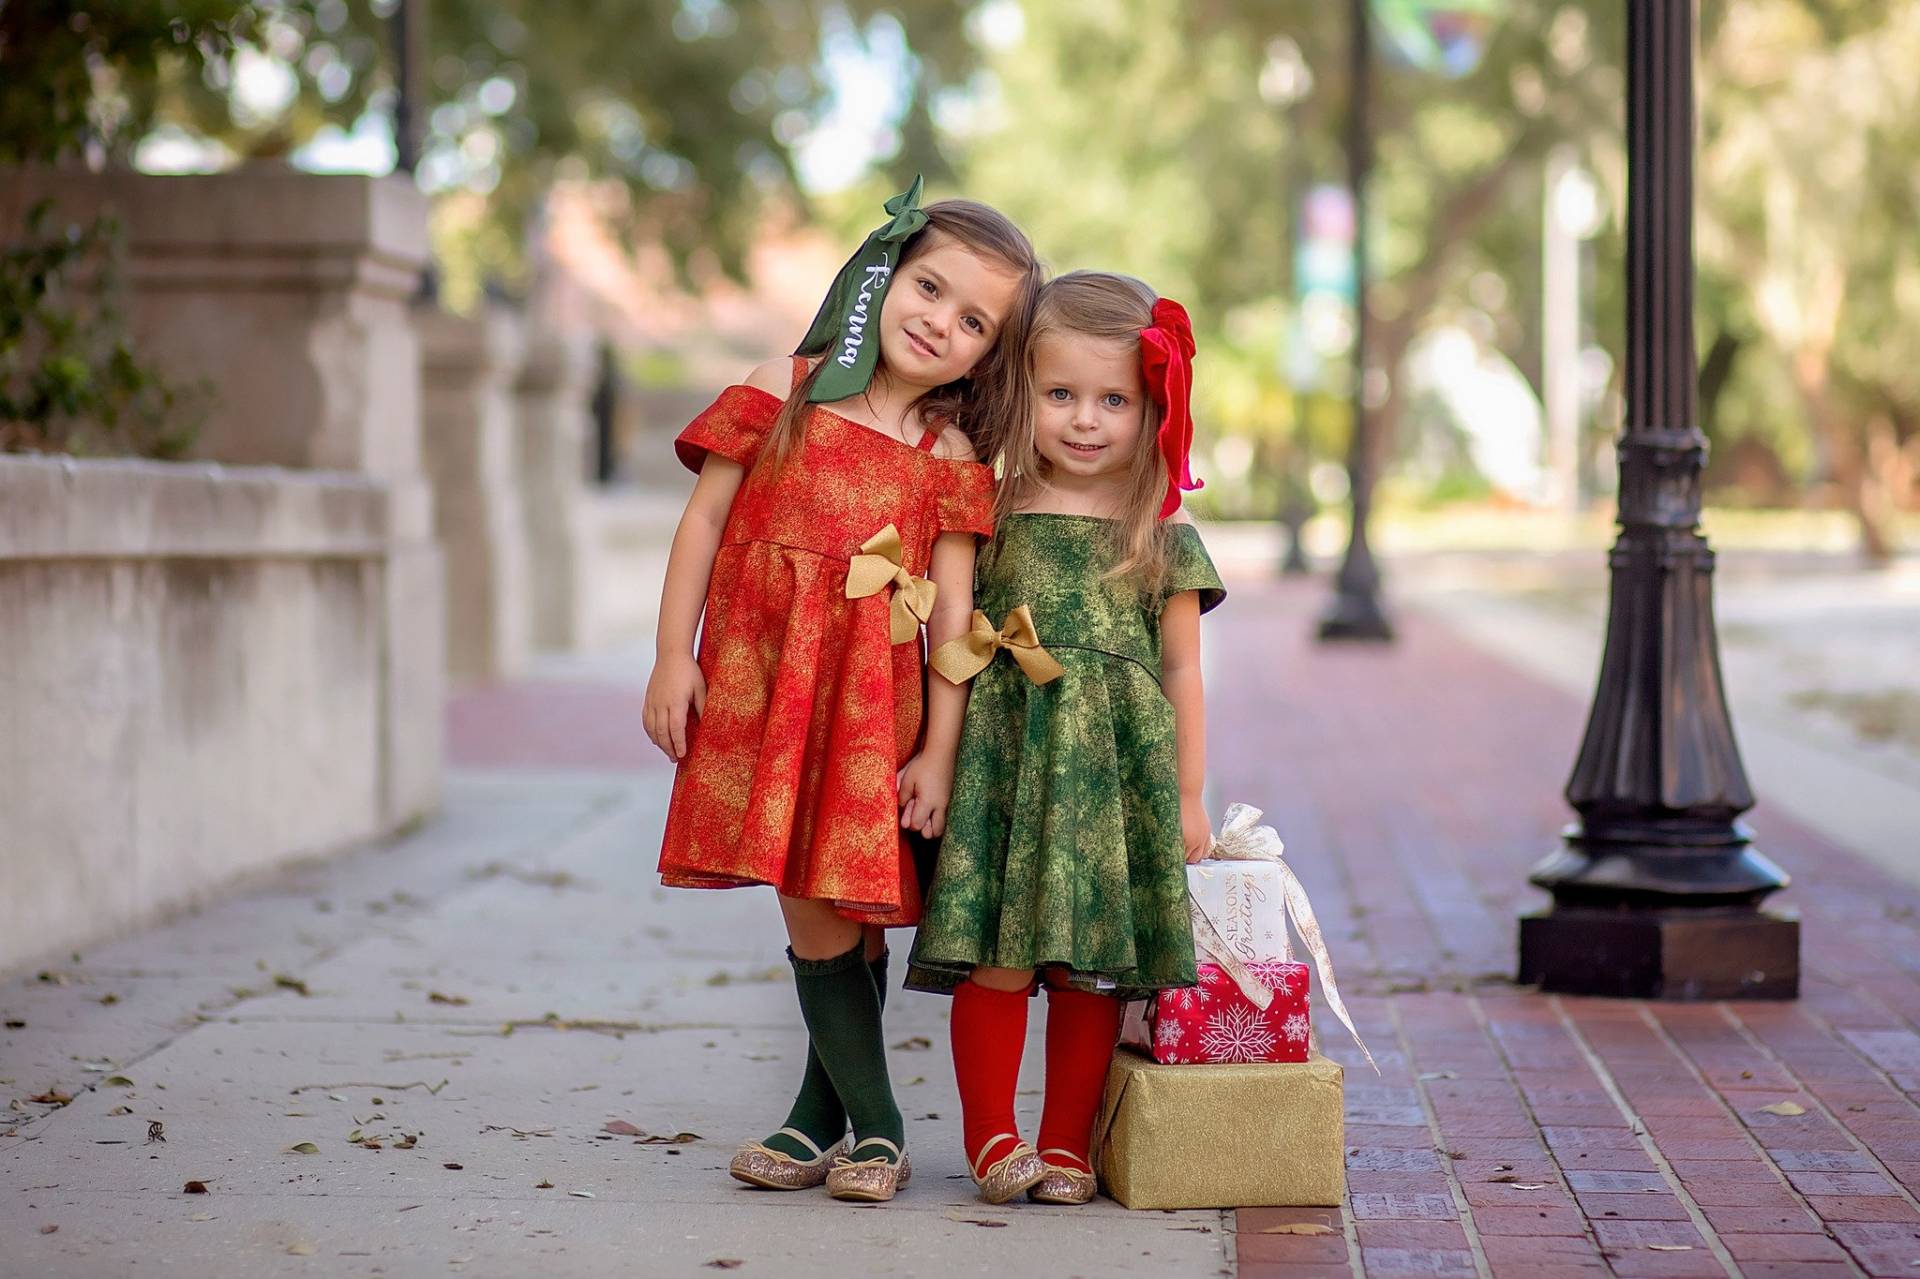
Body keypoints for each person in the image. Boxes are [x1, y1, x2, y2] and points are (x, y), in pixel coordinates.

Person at [644, 181, 1042, 1203]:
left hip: (874, 712)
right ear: (883, 271)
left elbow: (953, 617)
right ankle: (865, 1121)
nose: (937, 322)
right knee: (806, 891)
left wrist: (939, 749)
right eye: (927, 286)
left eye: (972, 322)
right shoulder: (786, 386)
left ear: (989, 355)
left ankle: (851, 1122)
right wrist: (671, 656)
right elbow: (701, 526)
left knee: (835, 897)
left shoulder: (948, 456)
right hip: (763, 686)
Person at [907, 271, 1225, 1205]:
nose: (1087, 420)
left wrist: (1190, 792)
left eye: (1114, 399)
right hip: (1010, 766)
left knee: (1091, 964)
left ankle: (1065, 1141)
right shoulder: (989, 512)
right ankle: (991, 1133)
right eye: (1062, 395)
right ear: (1024, 391)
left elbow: (1181, 673)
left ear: (1151, 408)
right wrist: (936, 753)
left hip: (1111, 781)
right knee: (1003, 953)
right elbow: (955, 642)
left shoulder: (1159, 536)